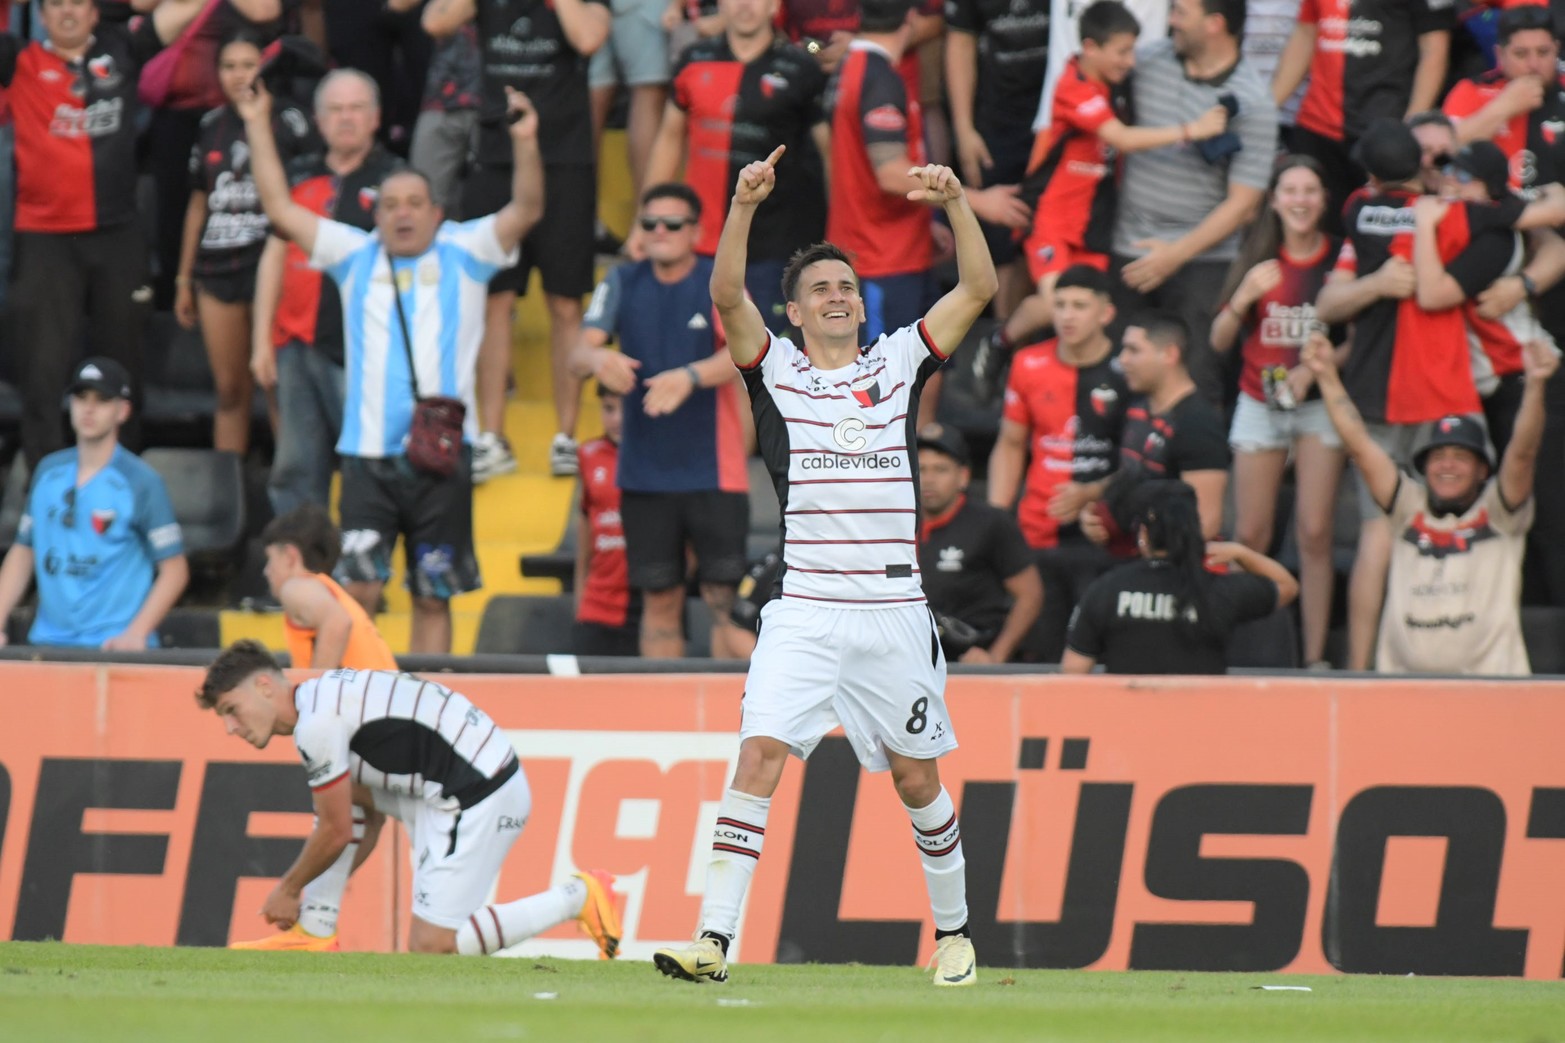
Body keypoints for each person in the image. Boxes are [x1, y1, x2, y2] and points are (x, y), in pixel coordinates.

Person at [652, 142, 995, 985]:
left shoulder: (899, 361)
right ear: (795, 315)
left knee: (917, 779)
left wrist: (954, 203)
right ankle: (714, 941)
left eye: (846, 286)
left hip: (891, 613)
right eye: (820, 290)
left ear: (861, 305)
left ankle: (953, 934)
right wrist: (741, 206)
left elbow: (979, 288)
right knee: (757, 756)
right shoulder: (775, 373)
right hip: (803, 608)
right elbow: (724, 294)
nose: (837, 295)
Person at [240, 80, 545, 654]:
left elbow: (527, 209)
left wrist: (526, 141)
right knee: (358, 589)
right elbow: (280, 209)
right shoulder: (354, 255)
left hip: (441, 461)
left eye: (414, 205)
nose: (402, 214)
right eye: (389, 205)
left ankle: (425, 705)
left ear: (436, 212)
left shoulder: (466, 250)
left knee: (434, 594)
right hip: (367, 461)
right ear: (374, 215)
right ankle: (361, 701)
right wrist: (257, 120)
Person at [195, 640, 625, 955]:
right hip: (450, 785)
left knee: (431, 946)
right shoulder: (322, 701)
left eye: (231, 709)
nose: (232, 727)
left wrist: (289, 889)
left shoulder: (317, 725)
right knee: (348, 797)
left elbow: (337, 831)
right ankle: (316, 931)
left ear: (266, 686)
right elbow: (361, 822)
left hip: (478, 792)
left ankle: (578, 896)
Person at [972, 0, 1228, 401]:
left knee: (1091, 315)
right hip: (1052, 222)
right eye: (1122, 52)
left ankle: (1074, 399)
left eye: (1132, 51)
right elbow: (1122, 139)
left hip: (1093, 226)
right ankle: (1000, 342)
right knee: (1062, 306)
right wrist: (1193, 130)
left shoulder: (1118, 84)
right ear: (1091, 47)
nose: (1130, 61)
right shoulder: (1073, 85)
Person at [3, 0, 207, 472]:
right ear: (41, 15)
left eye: (78, 2)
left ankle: (123, 480)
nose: (67, 12)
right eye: (55, 4)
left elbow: (186, 11)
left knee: (125, 364)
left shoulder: (123, 49)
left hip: (117, 233)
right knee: (42, 373)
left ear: (96, 13)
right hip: (44, 239)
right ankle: (47, 489)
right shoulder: (17, 60)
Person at [424, 0, 611, 481]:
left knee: (566, 303)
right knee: (495, 300)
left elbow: (589, 37)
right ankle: (491, 436)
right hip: (496, 155)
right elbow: (434, 20)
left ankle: (566, 437)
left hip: (566, 159)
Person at [569, 183, 750, 659]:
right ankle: (669, 718)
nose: (660, 233)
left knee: (723, 603)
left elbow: (748, 353)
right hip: (644, 470)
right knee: (658, 598)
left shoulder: (719, 281)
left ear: (696, 231)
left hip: (715, 468)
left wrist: (691, 376)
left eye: (673, 224)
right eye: (650, 224)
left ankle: (741, 724)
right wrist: (597, 360)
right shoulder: (622, 280)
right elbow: (578, 349)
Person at [1303, 332, 1554, 675]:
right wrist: (1326, 376)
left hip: (1491, 696)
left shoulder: (1499, 514)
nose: (1447, 465)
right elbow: (1360, 446)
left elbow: (1523, 454)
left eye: (1460, 457)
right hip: (1405, 696)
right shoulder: (1408, 509)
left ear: (1483, 469)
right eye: (1438, 457)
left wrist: (1536, 385)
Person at [1209, 155, 1343, 670]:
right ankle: (1244, 651)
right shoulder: (1258, 256)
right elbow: (1219, 340)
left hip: (1317, 408)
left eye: (1310, 190)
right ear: (1274, 199)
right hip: (1259, 403)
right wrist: (1242, 296)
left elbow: (1355, 335)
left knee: (1314, 532)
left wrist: (1322, 364)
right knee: (1250, 535)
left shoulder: (1337, 260)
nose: (1301, 200)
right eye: (1291, 190)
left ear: (1323, 198)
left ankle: (1313, 659)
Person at [1109, 0, 1278, 403]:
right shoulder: (1145, 63)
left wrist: (1174, 255)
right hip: (1127, 245)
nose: (1171, 21)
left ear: (1215, 24)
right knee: (1120, 372)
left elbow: (1243, 205)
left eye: (1181, 12)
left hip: (1202, 260)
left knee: (1197, 376)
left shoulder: (1254, 101)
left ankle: (1193, 466)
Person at [255, 69, 403, 517]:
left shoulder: (397, 182)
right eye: (335, 110)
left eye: (357, 108)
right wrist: (261, 340)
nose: (346, 118)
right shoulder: (297, 175)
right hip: (295, 343)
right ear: (318, 120)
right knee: (295, 470)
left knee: (369, 466)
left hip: (363, 351)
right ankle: (300, 576)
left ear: (376, 117)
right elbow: (274, 255)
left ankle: (369, 569)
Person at [639, 0, 829, 333]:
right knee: (695, 355)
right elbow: (669, 139)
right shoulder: (693, 61)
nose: (745, 5)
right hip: (698, 244)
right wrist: (642, 222)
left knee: (762, 363)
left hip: (774, 249)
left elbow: (831, 157)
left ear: (775, 6)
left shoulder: (803, 69)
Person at [175, 31, 315, 454]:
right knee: (230, 391)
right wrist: (184, 278)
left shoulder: (291, 120)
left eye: (248, 64)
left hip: (270, 265)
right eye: (229, 66)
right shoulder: (210, 125)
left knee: (276, 386)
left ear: (265, 68)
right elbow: (199, 204)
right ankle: (226, 507)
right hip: (217, 270)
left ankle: (292, 503)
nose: (239, 75)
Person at [985, 264, 1128, 661]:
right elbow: (1011, 444)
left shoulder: (1128, 369)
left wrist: (1094, 494)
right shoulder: (1028, 363)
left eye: (1079, 305)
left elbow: (1140, 460)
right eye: (1060, 304)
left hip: (1106, 535)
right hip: (1038, 531)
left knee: (1101, 656)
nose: (1067, 315)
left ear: (1106, 313)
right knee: (1043, 655)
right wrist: (998, 516)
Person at [0, 358, 189, 650]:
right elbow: (23, 551)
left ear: (123, 410)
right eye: (81, 397)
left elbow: (175, 569)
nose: (88, 408)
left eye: (101, 400)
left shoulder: (142, 481)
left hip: (114, 648)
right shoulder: (47, 472)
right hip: (48, 643)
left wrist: (137, 633)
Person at [1062, 480, 1297, 674]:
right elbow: (1287, 586)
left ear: (1143, 535)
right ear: (1195, 529)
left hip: (1128, 725)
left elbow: (1073, 672)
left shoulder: (1107, 590)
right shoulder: (1218, 591)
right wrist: (1240, 552)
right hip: (1199, 725)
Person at [1271, 0, 1453, 230]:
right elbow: (1306, 32)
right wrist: (1267, 106)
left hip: (1384, 129)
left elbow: (1435, 49)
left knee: (1378, 230)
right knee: (1314, 227)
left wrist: (1410, 128)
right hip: (1317, 123)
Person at [944, 0, 1050, 320]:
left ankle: (1027, 340)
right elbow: (960, 43)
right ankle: (1003, 340)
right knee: (1002, 237)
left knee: (1043, 229)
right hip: (998, 123)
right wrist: (963, 129)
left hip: (1055, 119)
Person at [1084, 313, 1229, 545]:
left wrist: (1153, 552)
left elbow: (1207, 521)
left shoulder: (1197, 423)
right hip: (1130, 551)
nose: (1122, 360)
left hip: (1169, 565)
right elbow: (1132, 473)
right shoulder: (1136, 409)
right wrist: (1095, 513)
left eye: (1134, 350)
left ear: (1169, 354)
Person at [917, 423, 1042, 663]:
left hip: (970, 655)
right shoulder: (895, 523)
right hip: (912, 660)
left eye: (941, 470)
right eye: (921, 469)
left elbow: (1030, 596)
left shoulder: (991, 523)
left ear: (963, 476)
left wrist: (996, 656)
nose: (929, 479)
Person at [1443, 4, 1564, 200]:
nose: (1534, 64)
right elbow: (1443, 154)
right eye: (1521, 54)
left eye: (1543, 52)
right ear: (1500, 55)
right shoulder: (1471, 90)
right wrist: (1503, 108)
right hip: (1493, 215)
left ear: (1557, 50)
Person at [260, 505, 397, 671]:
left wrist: (316, 690)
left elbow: (337, 622)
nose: (266, 571)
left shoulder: (296, 586)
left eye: (270, 559)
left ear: (290, 556)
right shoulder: (329, 591)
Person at [574, 387, 640, 657]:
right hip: (597, 603)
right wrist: (580, 597)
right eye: (608, 409)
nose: (617, 419)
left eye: (625, 409)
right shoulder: (588, 455)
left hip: (644, 603)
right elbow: (585, 528)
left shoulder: (658, 457)